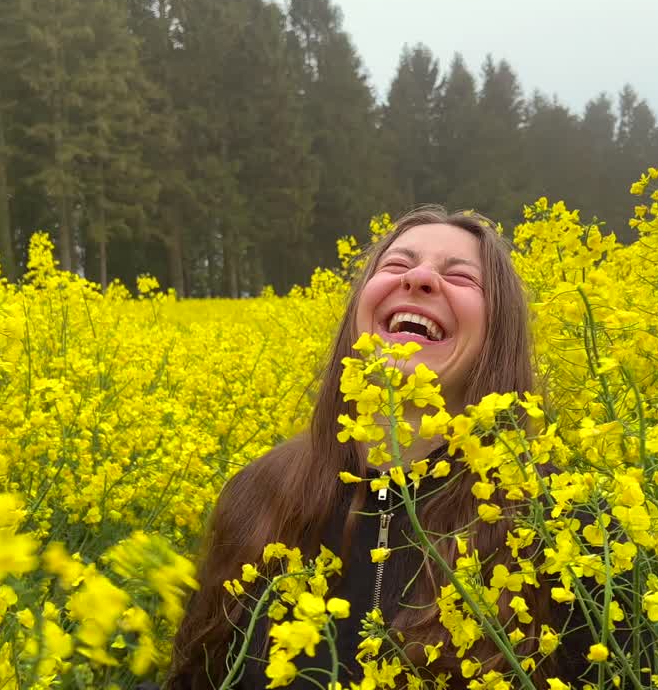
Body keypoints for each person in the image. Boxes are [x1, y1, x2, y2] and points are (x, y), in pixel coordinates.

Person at [166, 207, 623, 690]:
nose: (420, 278)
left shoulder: (568, 525)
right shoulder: (256, 493)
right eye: (396, 266)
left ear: (498, 336)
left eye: (462, 276)